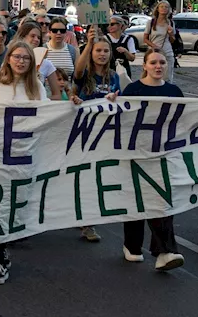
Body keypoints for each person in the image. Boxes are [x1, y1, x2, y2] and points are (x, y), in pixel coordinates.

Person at [0, 41, 46, 284]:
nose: (21, 61)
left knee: (11, 205)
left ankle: (1, 255)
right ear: (9, 58)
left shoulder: (37, 88)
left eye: (26, 58)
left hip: (22, 157)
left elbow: (48, 117)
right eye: (17, 56)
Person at [119, 50, 186, 271]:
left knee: (161, 200)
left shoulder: (173, 91)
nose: (158, 66)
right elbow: (122, 119)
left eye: (162, 62)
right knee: (137, 200)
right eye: (153, 62)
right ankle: (132, 245)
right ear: (144, 66)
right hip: (136, 153)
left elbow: (184, 119)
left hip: (163, 154)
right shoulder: (134, 90)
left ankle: (164, 251)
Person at [70, 33, 124, 243]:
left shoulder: (114, 76)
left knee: (96, 177)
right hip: (84, 132)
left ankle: (88, 220)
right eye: (98, 51)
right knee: (82, 176)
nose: (102, 54)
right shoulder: (85, 75)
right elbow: (78, 70)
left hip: (105, 133)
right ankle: (82, 218)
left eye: (105, 51)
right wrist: (89, 43)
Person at [143, 0, 178, 82]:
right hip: (152, 53)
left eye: (166, 7)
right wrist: (154, 46)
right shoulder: (151, 22)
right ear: (157, 9)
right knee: (151, 77)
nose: (164, 8)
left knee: (167, 78)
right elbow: (145, 39)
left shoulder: (171, 23)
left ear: (169, 10)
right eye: (162, 6)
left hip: (167, 53)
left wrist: (171, 34)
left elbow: (172, 41)